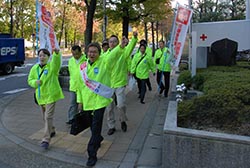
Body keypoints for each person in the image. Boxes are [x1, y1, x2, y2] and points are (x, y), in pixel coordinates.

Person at [76, 38, 128, 167]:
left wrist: (120, 47)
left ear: (99, 53)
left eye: (94, 52)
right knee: (92, 126)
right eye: (90, 52)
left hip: (100, 102)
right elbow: (80, 86)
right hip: (87, 103)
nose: (92, 54)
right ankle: (98, 138)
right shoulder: (82, 66)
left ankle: (91, 154)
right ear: (86, 53)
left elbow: (112, 56)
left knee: (96, 126)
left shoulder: (104, 62)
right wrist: (80, 101)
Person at [27, 48, 64, 149]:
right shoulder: (35, 68)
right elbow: (30, 80)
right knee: (45, 117)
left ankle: (46, 139)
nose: (42, 57)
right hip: (40, 96)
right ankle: (51, 129)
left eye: (44, 55)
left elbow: (56, 62)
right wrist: (35, 82)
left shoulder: (52, 67)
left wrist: (56, 54)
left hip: (51, 96)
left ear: (48, 57)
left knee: (48, 116)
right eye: (40, 55)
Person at [105, 32, 138, 136]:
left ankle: (122, 120)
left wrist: (134, 38)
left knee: (121, 105)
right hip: (108, 85)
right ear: (108, 43)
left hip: (119, 83)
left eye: (115, 41)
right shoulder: (105, 55)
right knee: (109, 107)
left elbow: (130, 48)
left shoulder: (123, 53)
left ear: (118, 43)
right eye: (111, 42)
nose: (112, 43)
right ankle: (111, 126)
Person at [66, 45, 86, 124]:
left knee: (83, 103)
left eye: (77, 54)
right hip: (74, 86)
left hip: (83, 86)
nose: (75, 56)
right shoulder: (71, 60)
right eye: (73, 54)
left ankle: (84, 118)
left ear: (81, 52)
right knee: (72, 103)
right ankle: (71, 119)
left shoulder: (86, 60)